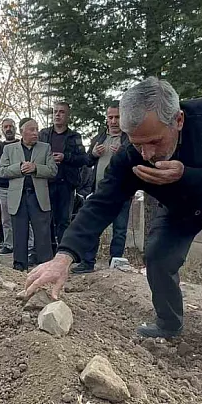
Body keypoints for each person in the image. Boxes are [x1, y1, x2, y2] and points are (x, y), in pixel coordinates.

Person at [25, 77, 202, 401]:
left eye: (155, 142)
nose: (147, 154)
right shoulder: (132, 156)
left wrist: (185, 174)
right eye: (137, 143)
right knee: (158, 255)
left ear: (179, 120)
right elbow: (101, 204)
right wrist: (64, 257)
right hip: (185, 206)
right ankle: (169, 321)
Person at [73, 100, 131, 274]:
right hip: (98, 192)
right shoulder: (100, 137)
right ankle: (87, 262)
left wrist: (123, 152)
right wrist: (93, 153)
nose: (113, 121)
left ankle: (115, 264)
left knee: (119, 230)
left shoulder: (129, 138)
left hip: (122, 191)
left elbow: (137, 161)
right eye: (110, 117)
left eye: (117, 117)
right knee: (93, 227)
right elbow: (87, 161)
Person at [0, 118, 57, 271]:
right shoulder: (9, 149)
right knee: (19, 232)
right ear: (22, 131)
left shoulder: (45, 148)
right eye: (31, 130)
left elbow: (53, 170)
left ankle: (45, 265)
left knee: (43, 233)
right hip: (18, 197)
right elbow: (1, 171)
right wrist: (19, 168)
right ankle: (19, 265)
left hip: (38, 197)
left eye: (37, 129)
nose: (35, 133)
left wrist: (36, 168)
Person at [38, 101, 87, 252]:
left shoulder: (74, 137)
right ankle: (48, 251)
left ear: (68, 116)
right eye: (55, 112)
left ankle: (64, 252)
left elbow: (83, 159)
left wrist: (65, 157)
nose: (57, 115)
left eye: (61, 112)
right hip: (46, 182)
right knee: (46, 219)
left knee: (64, 221)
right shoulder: (44, 134)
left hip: (66, 183)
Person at [0, 118, 19, 254]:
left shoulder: (21, 144)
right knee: (5, 218)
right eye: (6, 127)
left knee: (21, 217)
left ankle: (26, 244)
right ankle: (9, 244)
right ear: (3, 129)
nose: (8, 129)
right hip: (3, 186)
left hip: (19, 185)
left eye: (11, 126)